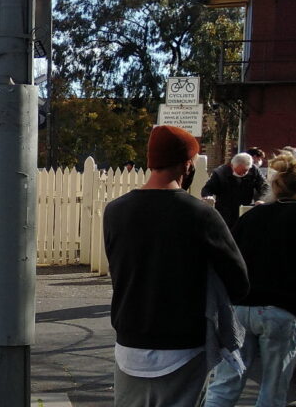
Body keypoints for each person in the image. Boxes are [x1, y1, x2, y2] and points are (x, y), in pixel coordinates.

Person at [104, 125, 249, 407]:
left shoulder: (115, 211)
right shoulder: (201, 214)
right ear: (187, 164)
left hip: (129, 339)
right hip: (183, 343)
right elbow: (239, 283)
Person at [203, 150, 296, 407]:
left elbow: (232, 260)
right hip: (280, 309)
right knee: (272, 390)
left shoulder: (252, 216)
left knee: (225, 384)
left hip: (240, 308)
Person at [201, 152, 269, 229]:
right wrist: (208, 196)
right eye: (239, 172)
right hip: (225, 212)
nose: (242, 174)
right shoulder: (220, 173)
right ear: (232, 165)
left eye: (245, 171)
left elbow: (264, 186)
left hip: (245, 210)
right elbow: (207, 188)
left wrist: (262, 199)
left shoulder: (254, 170)